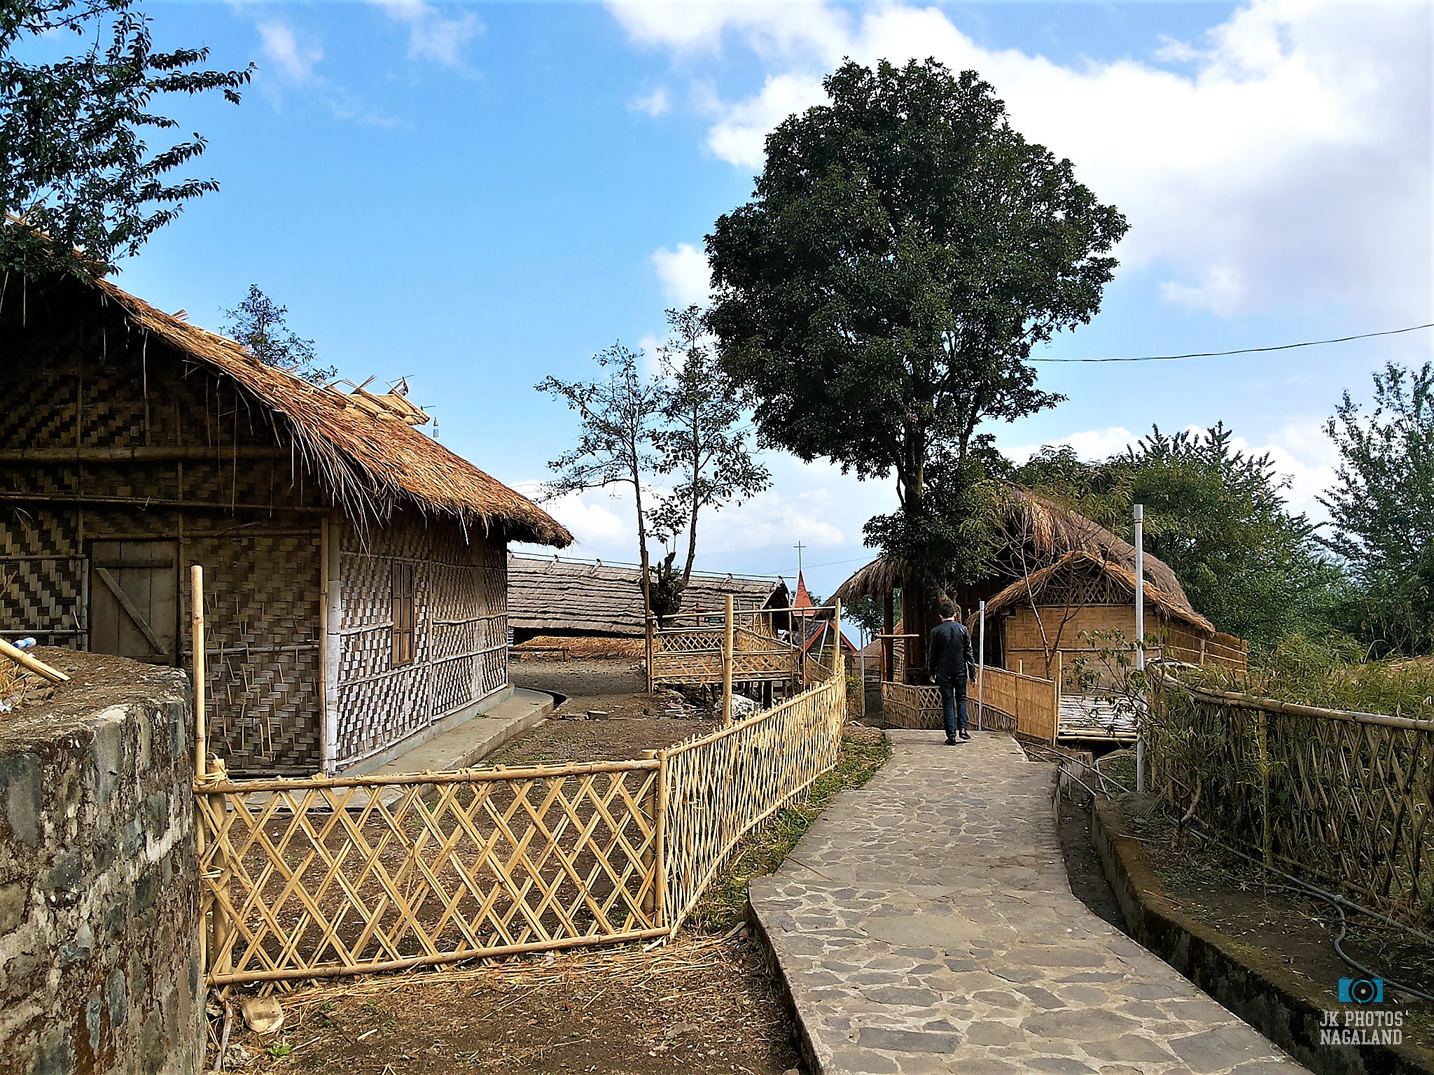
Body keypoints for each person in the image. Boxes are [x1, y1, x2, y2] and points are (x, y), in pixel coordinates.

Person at [928, 602, 976, 744]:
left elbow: (933, 655)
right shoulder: (963, 630)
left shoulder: (936, 632)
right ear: (955, 615)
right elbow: (969, 654)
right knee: (961, 699)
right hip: (960, 671)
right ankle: (962, 729)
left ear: (940, 616)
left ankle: (951, 736)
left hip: (944, 672)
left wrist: (932, 671)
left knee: (947, 702)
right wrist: (972, 674)